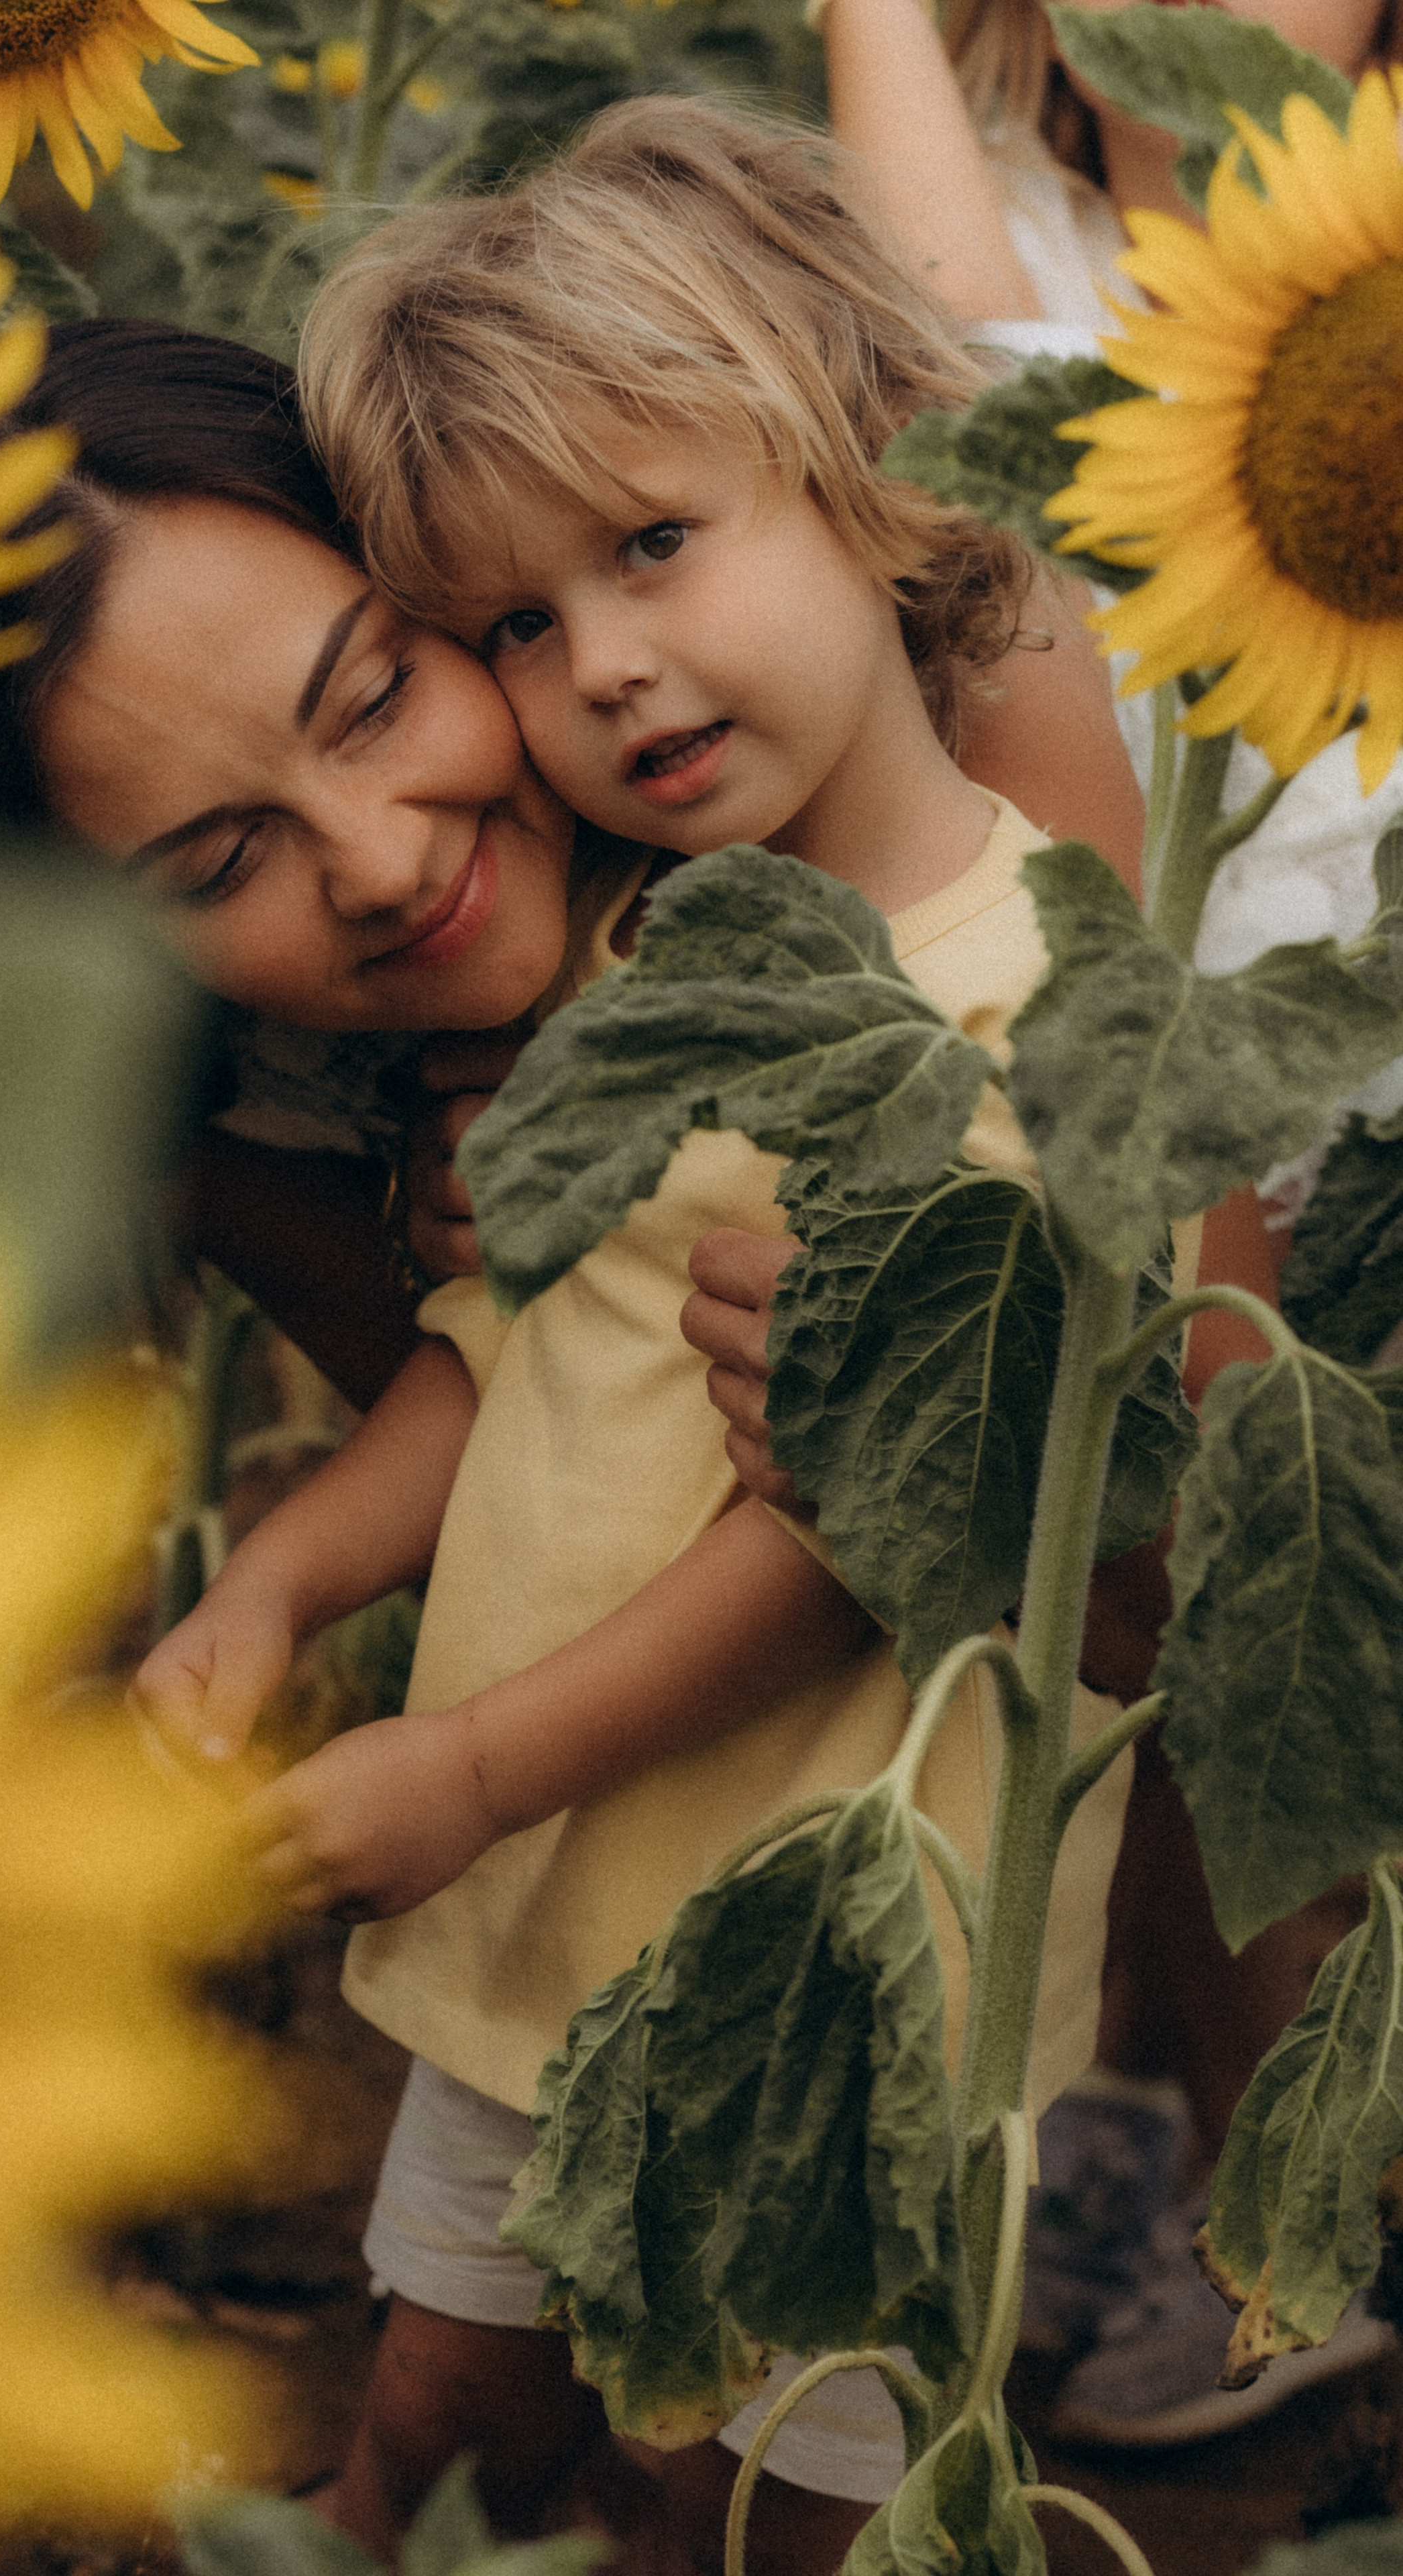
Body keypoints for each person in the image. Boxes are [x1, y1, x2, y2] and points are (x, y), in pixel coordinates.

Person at [0, 301, 1139, 2570]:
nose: (384, 861)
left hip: (854, 1976)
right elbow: (492, 1356)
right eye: (216, 862)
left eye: (379, 692)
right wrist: (284, 1577)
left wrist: (476, 1763)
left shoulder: (975, 939)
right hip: (547, 1942)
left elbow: (917, 1522)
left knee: (758, 2494)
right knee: (446, 2418)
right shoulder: (607, 986)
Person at [650, 0, 1403, 2452]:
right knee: (1110, 1642)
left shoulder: (1361, 257)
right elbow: (950, 372)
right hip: (1110, 1056)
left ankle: (1292, 2199)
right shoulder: (992, 206)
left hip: (1361, 1080)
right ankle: (1142, 2138)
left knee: (1276, 1674)